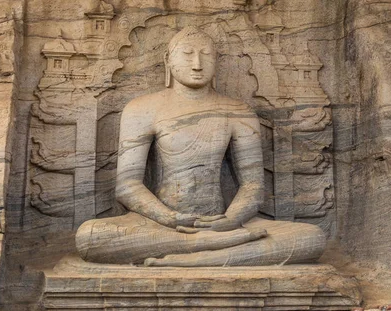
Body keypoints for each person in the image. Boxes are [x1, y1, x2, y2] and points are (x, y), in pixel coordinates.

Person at [75, 26, 325, 266]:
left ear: (217, 61)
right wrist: (169, 218)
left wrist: (229, 220)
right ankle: (205, 246)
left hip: (224, 223)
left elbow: (253, 186)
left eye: (206, 55)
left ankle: (198, 253)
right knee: (90, 236)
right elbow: (127, 187)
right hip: (158, 225)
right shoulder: (142, 109)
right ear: (168, 61)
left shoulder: (238, 111)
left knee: (311, 238)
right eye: (187, 55)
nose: (197, 63)